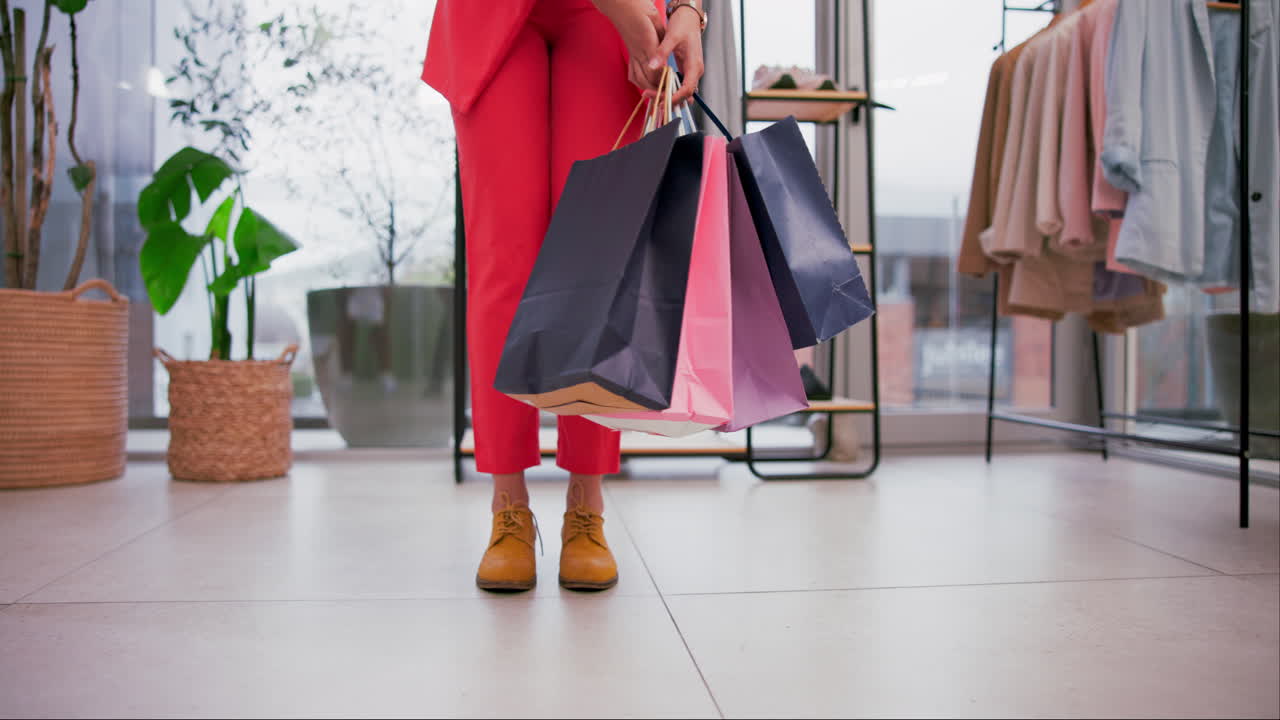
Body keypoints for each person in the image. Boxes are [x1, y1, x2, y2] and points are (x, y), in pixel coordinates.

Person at [422, 0, 707, 592]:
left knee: (598, 256)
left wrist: (687, 9)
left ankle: (586, 504)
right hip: (493, 13)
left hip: (608, 15)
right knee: (504, 258)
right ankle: (508, 506)